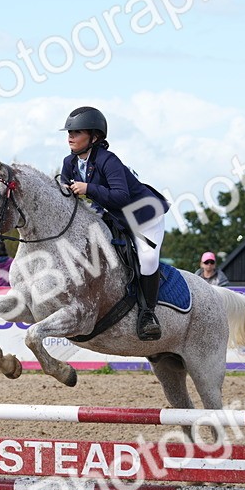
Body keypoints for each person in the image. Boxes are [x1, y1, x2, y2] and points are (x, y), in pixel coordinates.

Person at [59, 106, 169, 341]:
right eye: (69, 132)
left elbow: (121, 197)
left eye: (77, 132)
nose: (70, 136)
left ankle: (148, 315)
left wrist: (89, 188)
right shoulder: (69, 163)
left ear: (95, 137)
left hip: (143, 216)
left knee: (148, 259)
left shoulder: (108, 161)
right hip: (111, 217)